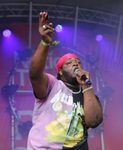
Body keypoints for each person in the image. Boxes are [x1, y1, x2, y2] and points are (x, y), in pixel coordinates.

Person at [27, 11, 103, 150]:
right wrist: (45, 42)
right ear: (60, 72)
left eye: (78, 62)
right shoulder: (52, 85)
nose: (75, 64)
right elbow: (34, 74)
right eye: (69, 63)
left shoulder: (87, 93)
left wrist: (86, 86)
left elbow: (94, 121)